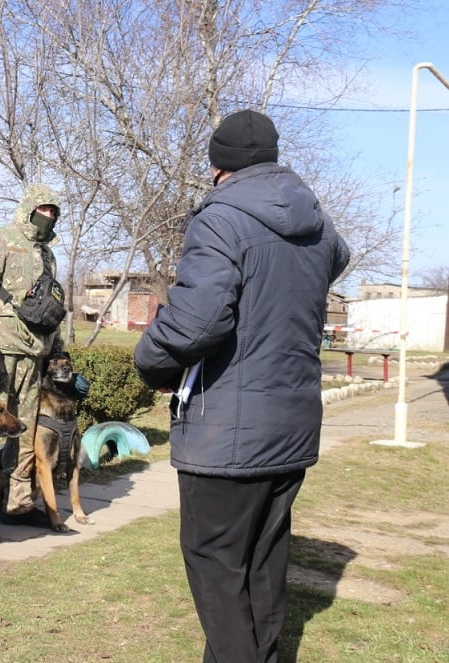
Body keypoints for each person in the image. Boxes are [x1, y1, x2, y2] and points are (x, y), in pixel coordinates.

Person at [134, 109, 350, 662]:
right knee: (262, 563)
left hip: (228, 429)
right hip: (291, 423)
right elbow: (338, 257)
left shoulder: (222, 218)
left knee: (216, 566)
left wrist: (151, 361)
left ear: (217, 166)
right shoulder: (317, 223)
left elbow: (197, 322)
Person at [0, 183, 69, 543]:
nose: (49, 216)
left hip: (34, 356)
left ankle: (19, 504)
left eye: (54, 211)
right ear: (29, 208)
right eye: (44, 209)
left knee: (23, 429)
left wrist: (58, 351)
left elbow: (52, 308)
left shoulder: (49, 255)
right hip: (0, 353)